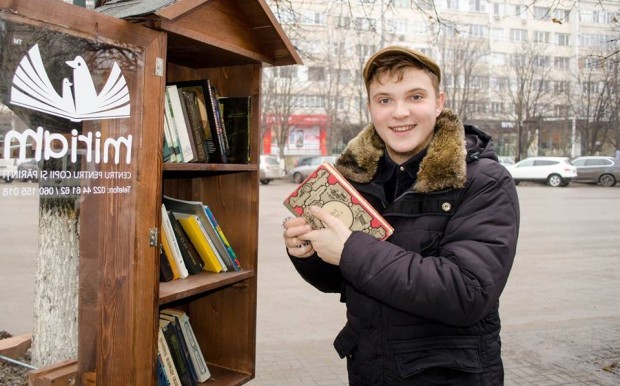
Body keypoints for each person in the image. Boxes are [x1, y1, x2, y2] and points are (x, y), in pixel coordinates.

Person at [282, 46, 520, 385]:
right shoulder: (358, 179)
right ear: (370, 108)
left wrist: (350, 249)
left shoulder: (483, 181)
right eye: (384, 100)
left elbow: (468, 292)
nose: (400, 112)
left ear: (439, 103)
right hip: (370, 368)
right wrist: (307, 252)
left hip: (447, 375)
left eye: (415, 96)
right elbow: (344, 278)